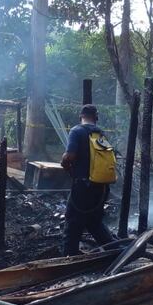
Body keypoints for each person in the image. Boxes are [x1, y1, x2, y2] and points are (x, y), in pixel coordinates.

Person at [60, 104, 115, 256]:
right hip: (101, 188)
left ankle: (68, 259)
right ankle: (115, 251)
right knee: (94, 222)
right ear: (96, 117)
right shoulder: (101, 134)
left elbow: (70, 156)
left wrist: (64, 164)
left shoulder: (76, 131)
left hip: (83, 187)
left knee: (72, 222)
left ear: (80, 116)